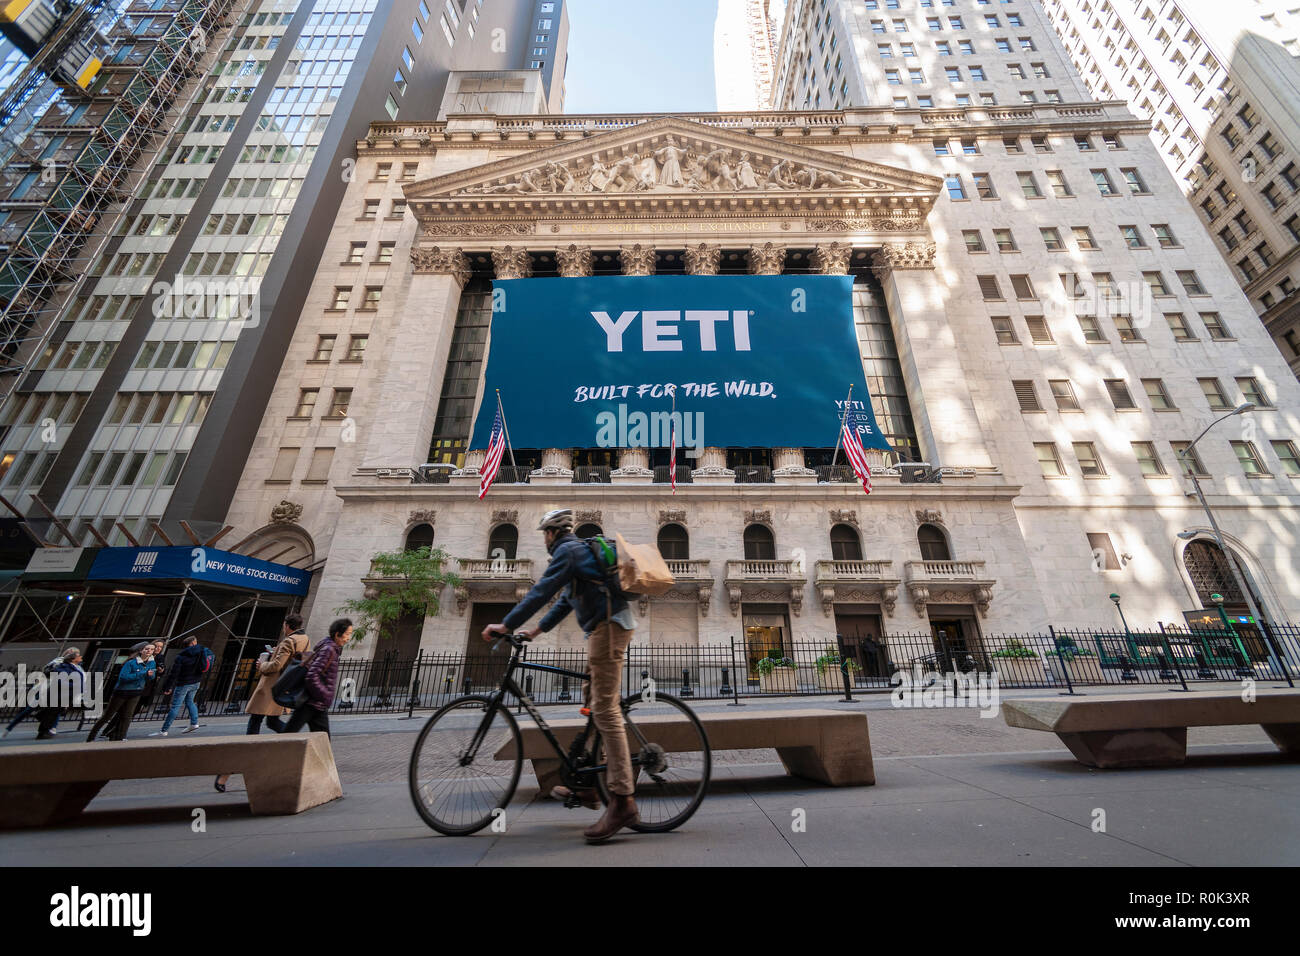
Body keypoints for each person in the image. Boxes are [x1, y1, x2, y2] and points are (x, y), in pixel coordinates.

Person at [482, 508, 640, 845]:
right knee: (590, 702)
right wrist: (534, 631)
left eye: (544, 535)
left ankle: (623, 799)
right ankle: (588, 786)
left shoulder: (568, 552)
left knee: (606, 708)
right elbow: (565, 601)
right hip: (602, 627)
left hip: (609, 627)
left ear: (552, 533)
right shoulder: (577, 554)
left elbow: (541, 591)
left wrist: (505, 625)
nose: (544, 541)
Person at [214, 614, 310, 792]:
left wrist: (262, 665)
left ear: (286, 625)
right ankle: (296, 742)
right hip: (284, 687)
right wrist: (277, 651)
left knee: (253, 730)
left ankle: (229, 772)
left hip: (271, 689)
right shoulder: (304, 638)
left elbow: (276, 666)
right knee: (272, 722)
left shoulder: (289, 641)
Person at [279, 618, 351, 736]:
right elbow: (312, 675)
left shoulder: (330, 648)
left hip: (316, 704)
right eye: (347, 634)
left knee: (322, 740)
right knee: (288, 736)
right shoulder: (329, 649)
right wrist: (324, 694)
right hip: (312, 702)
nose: (348, 638)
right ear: (338, 634)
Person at [85, 642, 156, 742]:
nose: (149, 651)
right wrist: (143, 673)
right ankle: (91, 737)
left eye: (152, 649)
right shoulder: (131, 662)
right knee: (108, 716)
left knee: (127, 716)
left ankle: (121, 736)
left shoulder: (152, 662)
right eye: (147, 649)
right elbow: (123, 677)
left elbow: (152, 677)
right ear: (141, 650)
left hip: (136, 691)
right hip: (122, 691)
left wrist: (150, 675)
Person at [148, 636, 208, 737]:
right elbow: (203, 667)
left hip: (184, 682)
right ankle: (194, 723)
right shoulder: (201, 652)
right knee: (190, 701)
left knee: (176, 706)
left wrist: (168, 686)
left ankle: (164, 730)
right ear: (194, 642)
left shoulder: (181, 656)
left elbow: (174, 673)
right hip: (196, 681)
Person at [2, 651, 67, 738]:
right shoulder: (59, 662)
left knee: (55, 709)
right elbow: (47, 672)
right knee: (31, 709)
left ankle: (51, 728)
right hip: (45, 690)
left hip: (52, 691)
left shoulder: (66, 665)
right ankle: (9, 728)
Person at [35, 648, 85, 740]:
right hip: (59, 694)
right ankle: (43, 732)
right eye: (78, 656)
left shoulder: (75, 668)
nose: (80, 657)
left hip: (66, 695)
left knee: (55, 712)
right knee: (52, 713)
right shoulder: (65, 667)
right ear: (72, 659)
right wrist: (74, 685)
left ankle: (44, 725)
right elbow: (60, 681)